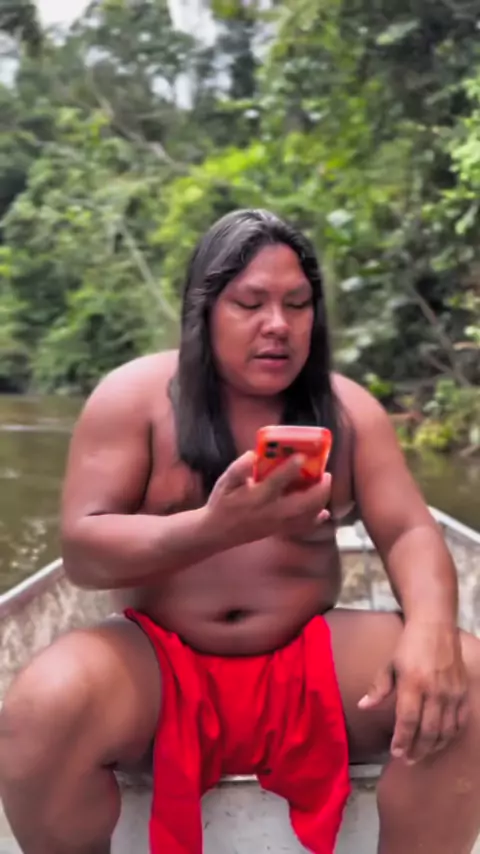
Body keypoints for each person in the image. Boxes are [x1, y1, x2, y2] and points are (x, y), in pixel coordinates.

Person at [0, 208, 479, 854]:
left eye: (297, 304)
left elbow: (408, 532)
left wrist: (430, 630)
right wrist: (214, 528)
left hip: (310, 660)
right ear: (203, 310)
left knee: (465, 679)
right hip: (158, 666)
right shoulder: (133, 399)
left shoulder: (347, 410)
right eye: (250, 304)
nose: (277, 324)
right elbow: (84, 555)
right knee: (39, 709)